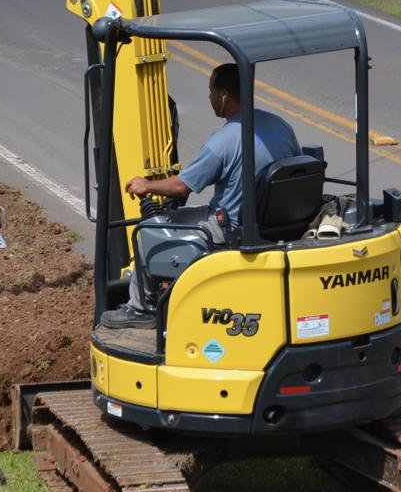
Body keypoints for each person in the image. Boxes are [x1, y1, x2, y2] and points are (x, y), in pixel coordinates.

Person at [101, 63, 301, 329]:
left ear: (225, 96)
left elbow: (182, 187)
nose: (209, 97)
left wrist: (146, 186)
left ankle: (141, 310)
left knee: (148, 230)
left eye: (211, 91)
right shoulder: (280, 126)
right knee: (177, 216)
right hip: (276, 223)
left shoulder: (224, 141)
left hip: (230, 228)